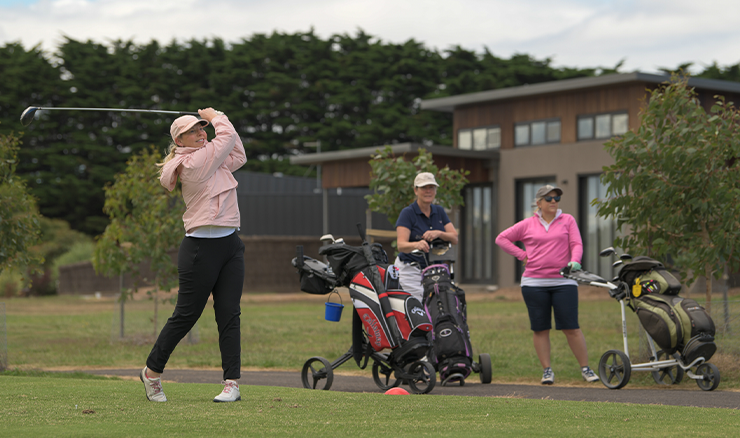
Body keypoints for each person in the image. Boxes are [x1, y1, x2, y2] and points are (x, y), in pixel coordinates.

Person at [140, 108, 247, 402]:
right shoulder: (193, 162)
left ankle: (232, 383)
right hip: (200, 249)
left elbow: (237, 152)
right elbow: (224, 137)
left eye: (203, 129)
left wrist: (219, 123)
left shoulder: (212, 158)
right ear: (180, 139)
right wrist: (217, 115)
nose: (202, 133)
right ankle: (151, 373)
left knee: (229, 313)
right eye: (194, 131)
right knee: (186, 315)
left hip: (230, 245)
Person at [495, 184, 599, 385]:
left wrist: (575, 260)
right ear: (539, 202)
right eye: (549, 198)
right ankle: (547, 371)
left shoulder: (567, 220)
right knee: (540, 328)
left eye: (556, 198)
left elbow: (576, 244)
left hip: (564, 282)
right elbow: (502, 239)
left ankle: (586, 369)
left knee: (571, 327)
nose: (553, 202)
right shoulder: (527, 224)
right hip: (533, 283)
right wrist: (522, 255)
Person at [395, 172, 458, 302]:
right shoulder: (407, 213)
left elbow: (454, 238)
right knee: (418, 307)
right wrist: (416, 244)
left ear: (435, 190)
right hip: (411, 271)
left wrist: (439, 233)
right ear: (416, 190)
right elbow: (401, 245)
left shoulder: (439, 211)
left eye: (431, 187)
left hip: (436, 270)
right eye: (424, 187)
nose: (428, 191)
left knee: (441, 306)